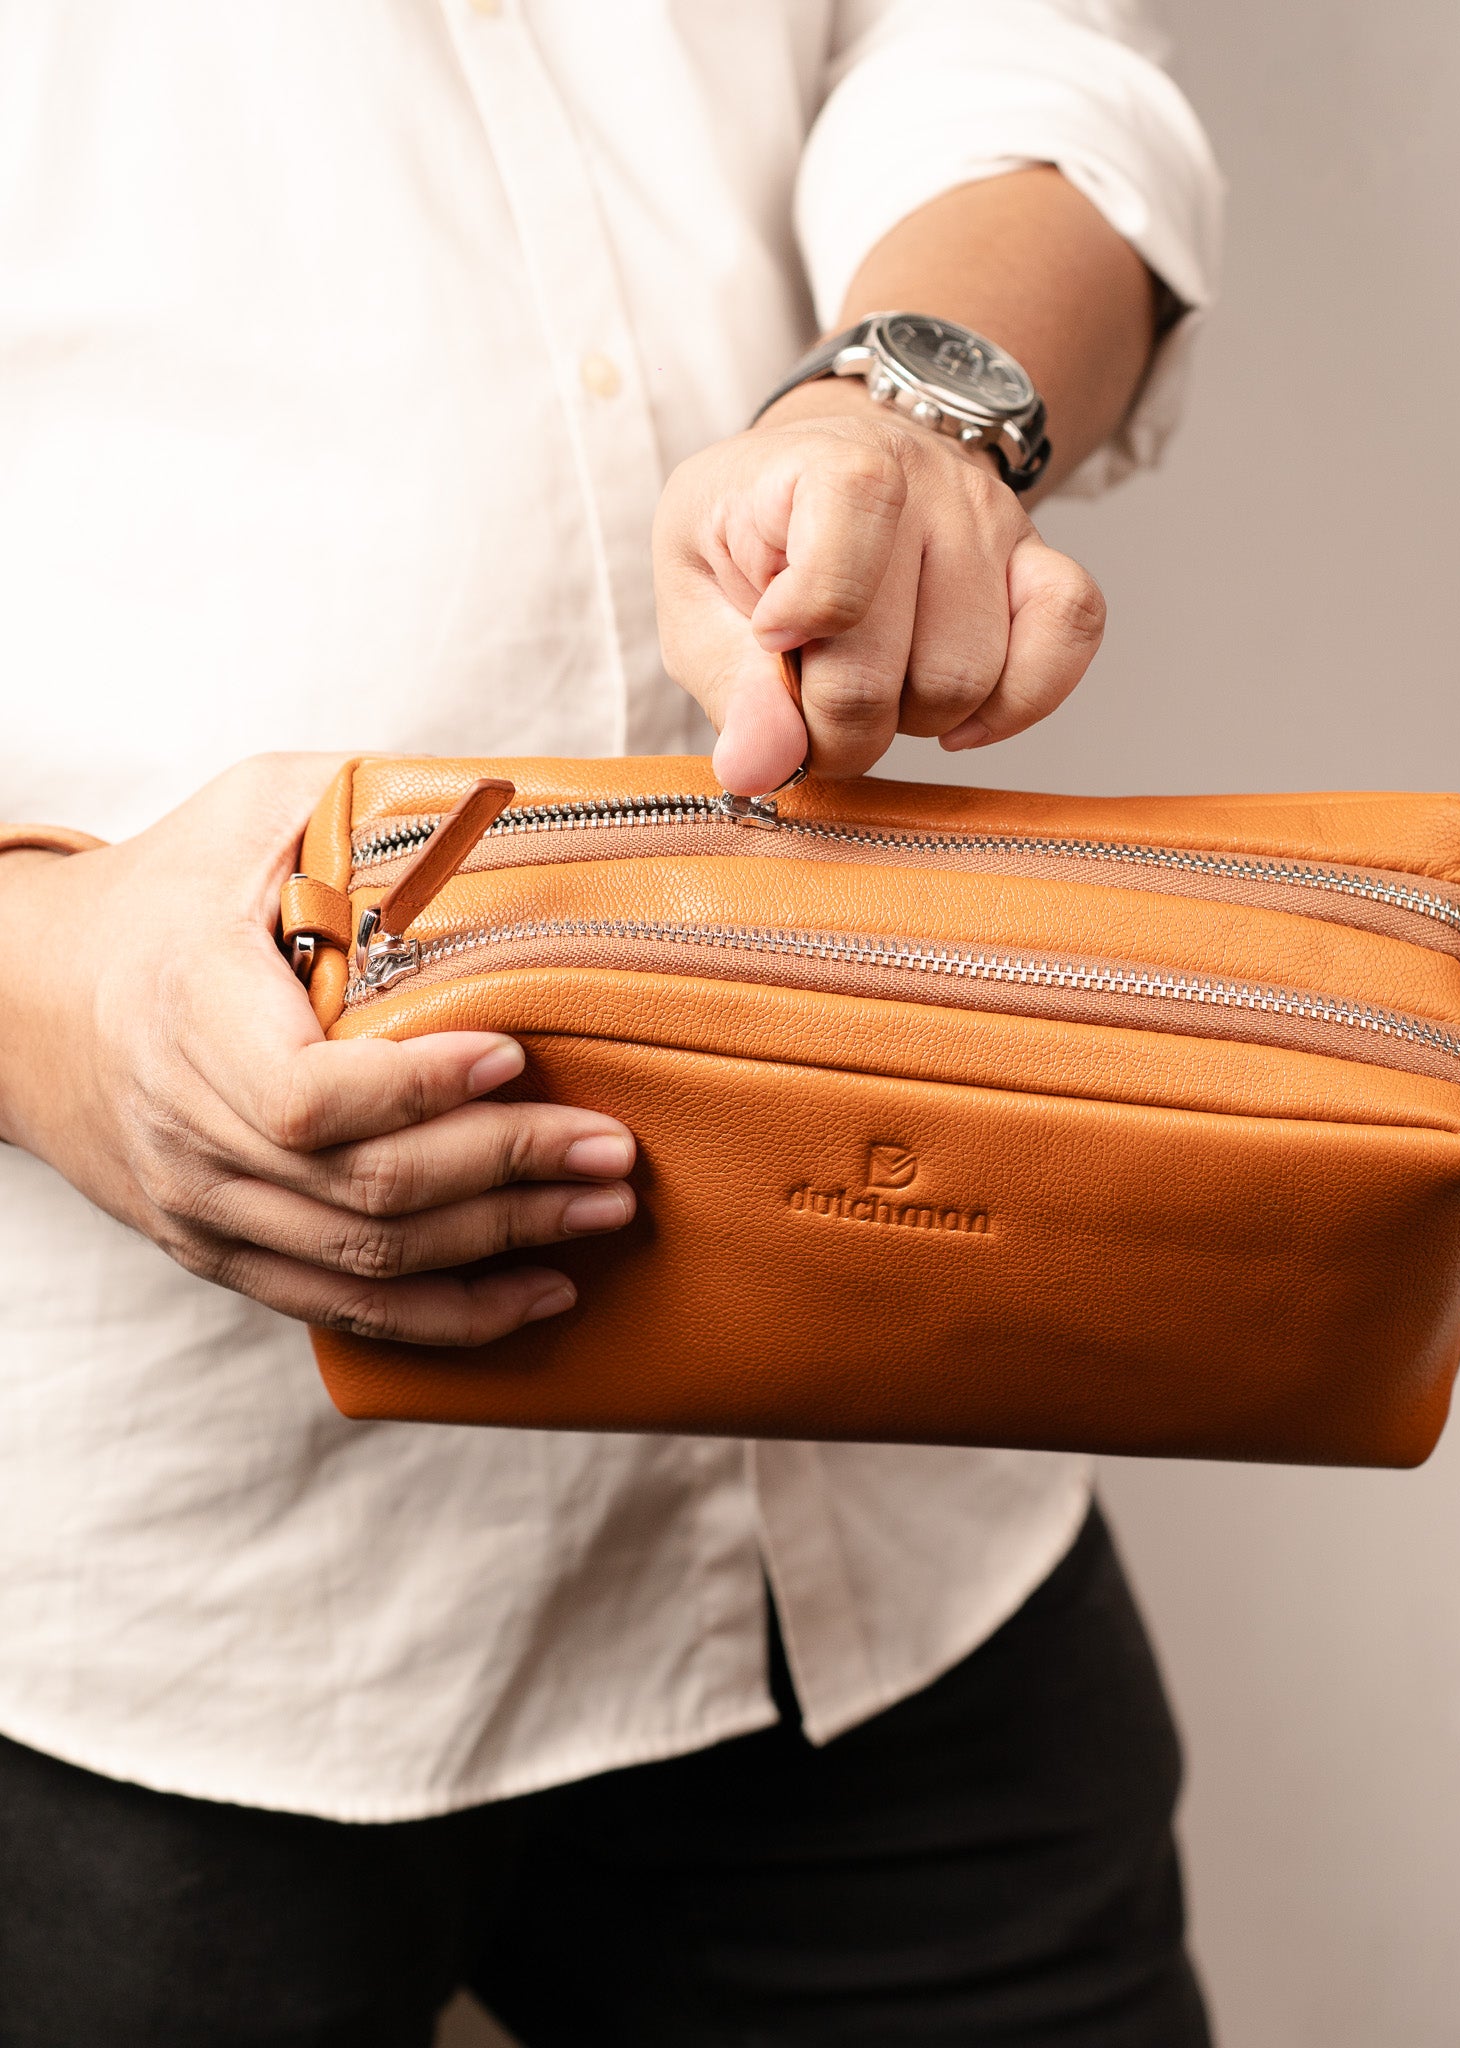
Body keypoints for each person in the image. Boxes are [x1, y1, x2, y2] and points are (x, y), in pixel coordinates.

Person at [0, 4, 1223, 2042]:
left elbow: (994, 36)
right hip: (118, 1575)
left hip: (868, 1479)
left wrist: (901, 412)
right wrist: (38, 994)